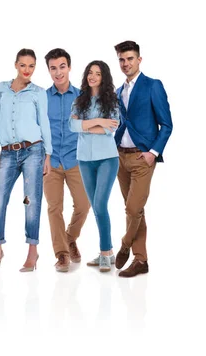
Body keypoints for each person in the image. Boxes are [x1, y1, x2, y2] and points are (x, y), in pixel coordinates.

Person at [0, 48, 52, 272]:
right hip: (6, 152)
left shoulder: (38, 92)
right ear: (16, 64)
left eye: (31, 66)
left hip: (33, 151)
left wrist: (48, 155)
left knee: (30, 200)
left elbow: (44, 123)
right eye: (23, 65)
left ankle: (32, 251)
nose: (27, 70)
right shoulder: (2, 89)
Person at [113, 40, 173, 277]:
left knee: (133, 207)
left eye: (129, 58)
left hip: (142, 158)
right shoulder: (119, 91)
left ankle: (125, 245)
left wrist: (153, 153)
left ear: (139, 59)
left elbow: (166, 124)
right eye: (121, 59)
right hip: (120, 157)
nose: (125, 63)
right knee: (136, 211)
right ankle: (141, 260)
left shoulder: (152, 85)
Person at [69, 60, 120, 272]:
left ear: (103, 77)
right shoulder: (79, 100)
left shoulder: (112, 100)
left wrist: (85, 126)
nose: (93, 76)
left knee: (100, 205)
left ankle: (106, 252)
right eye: (90, 73)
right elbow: (72, 126)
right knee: (96, 207)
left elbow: (111, 129)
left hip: (107, 158)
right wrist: (98, 122)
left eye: (97, 74)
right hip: (84, 160)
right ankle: (106, 253)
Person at [43, 48, 90, 273]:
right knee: (54, 208)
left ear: (69, 67)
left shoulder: (82, 97)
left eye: (62, 66)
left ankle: (70, 237)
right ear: (49, 71)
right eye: (53, 68)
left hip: (76, 159)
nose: (58, 72)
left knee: (84, 203)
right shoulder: (42, 98)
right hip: (51, 161)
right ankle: (62, 254)